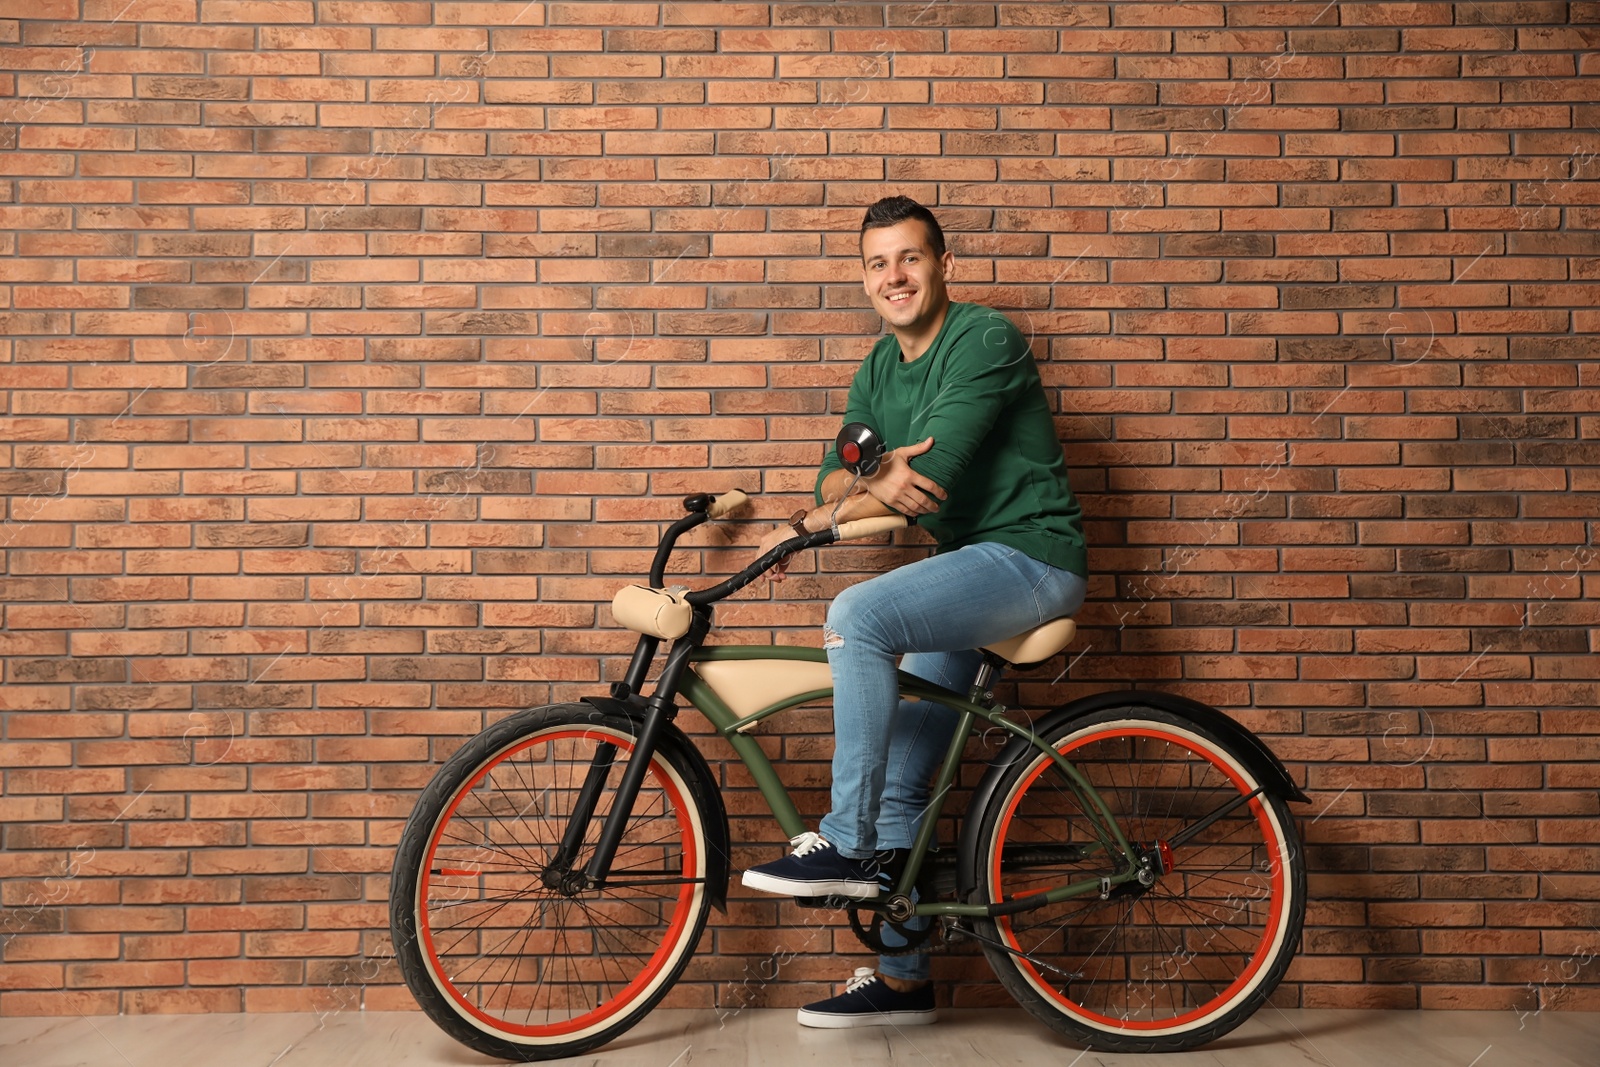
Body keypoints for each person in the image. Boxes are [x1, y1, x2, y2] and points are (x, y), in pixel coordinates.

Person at [740, 196, 1090, 1028]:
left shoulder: (986, 338)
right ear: (864, 277)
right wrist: (866, 481)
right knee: (901, 774)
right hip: (967, 567)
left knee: (859, 615)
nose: (893, 276)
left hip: (1030, 559)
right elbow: (835, 479)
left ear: (942, 265)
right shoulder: (877, 368)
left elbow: (931, 478)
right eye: (876, 263)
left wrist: (863, 485)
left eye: (910, 258)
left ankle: (847, 843)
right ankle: (903, 977)